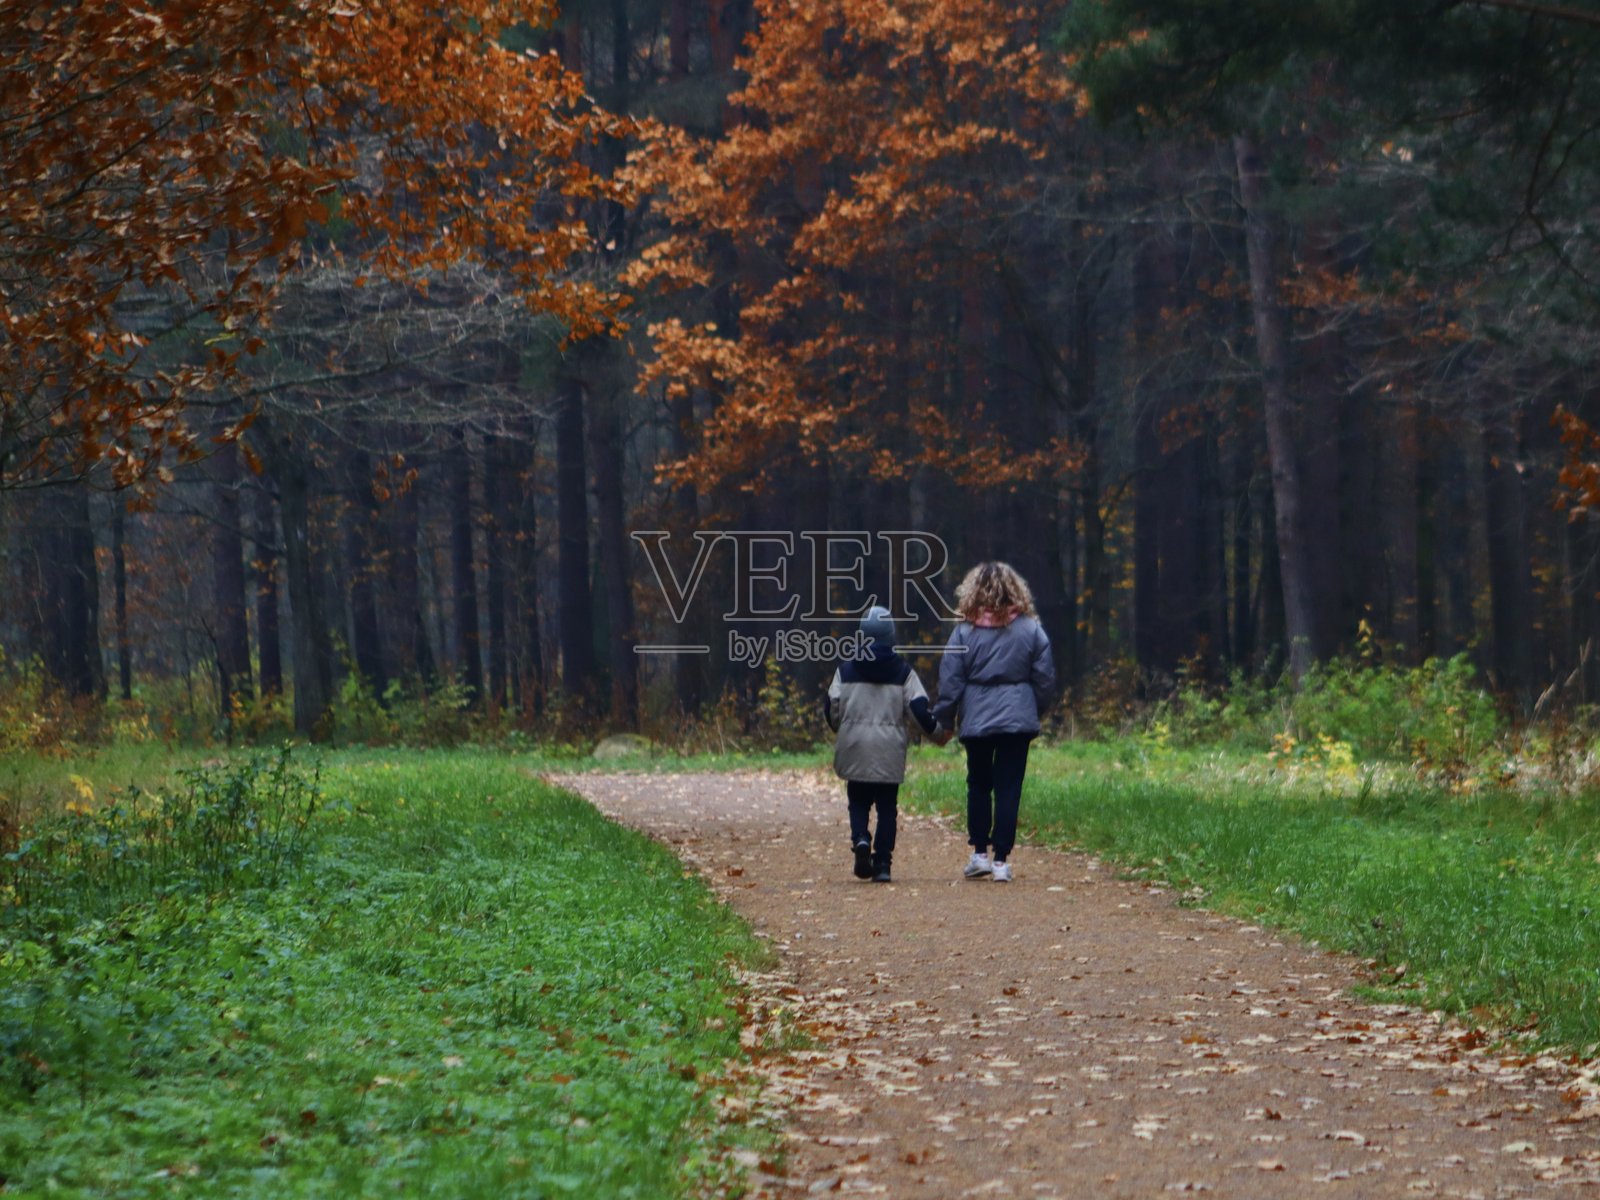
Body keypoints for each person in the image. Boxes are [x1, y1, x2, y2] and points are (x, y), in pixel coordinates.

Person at [932, 562, 1055, 883]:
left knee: (979, 785)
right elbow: (1044, 679)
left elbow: (950, 681)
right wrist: (1034, 710)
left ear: (973, 591)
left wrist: (944, 720)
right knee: (1009, 787)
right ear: (1016, 590)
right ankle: (1002, 860)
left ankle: (979, 855)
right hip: (1018, 719)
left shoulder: (964, 631)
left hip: (977, 719)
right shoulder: (1031, 629)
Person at [824, 606, 951, 883]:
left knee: (857, 801)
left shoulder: (845, 670)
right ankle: (882, 863)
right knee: (886, 809)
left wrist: (840, 728)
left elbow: (831, 706)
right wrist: (939, 734)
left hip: (854, 748)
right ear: (891, 636)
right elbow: (919, 711)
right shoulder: (903, 673)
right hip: (888, 752)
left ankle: (860, 838)